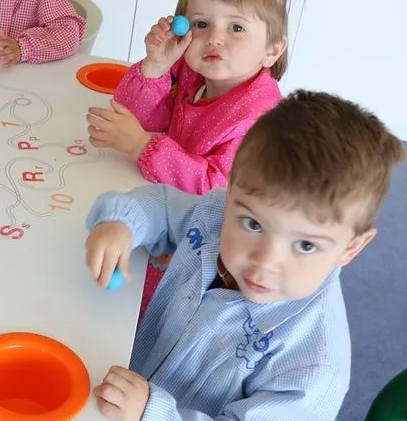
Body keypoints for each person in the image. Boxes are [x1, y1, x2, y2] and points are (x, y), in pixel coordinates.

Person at [84, 90, 404, 421]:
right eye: (253, 224)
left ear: (351, 247)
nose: (264, 261)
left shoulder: (314, 367)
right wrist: (121, 222)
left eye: (306, 245)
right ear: (231, 190)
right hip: (112, 373)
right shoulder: (219, 213)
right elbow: (163, 208)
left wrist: (153, 412)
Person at [86, 0, 327, 311]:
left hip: (208, 249)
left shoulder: (259, 117)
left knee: (147, 312)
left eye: (236, 28)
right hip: (161, 209)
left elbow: (220, 191)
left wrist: (141, 146)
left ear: (272, 50)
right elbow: (138, 116)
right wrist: (156, 66)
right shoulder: (194, 72)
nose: (214, 37)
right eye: (201, 24)